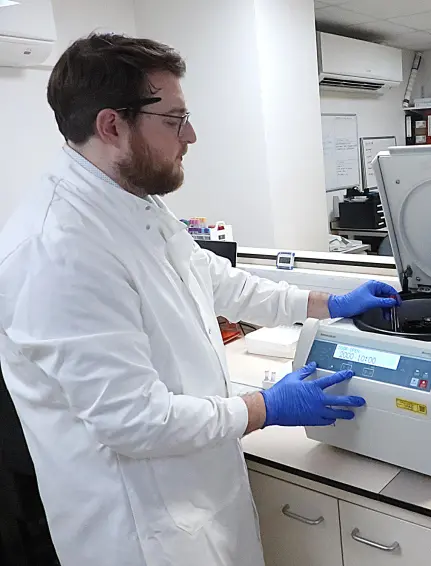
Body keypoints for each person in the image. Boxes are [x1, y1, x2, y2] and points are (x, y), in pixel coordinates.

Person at [0, 33, 399, 566]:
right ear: (111, 125)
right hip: (142, 530)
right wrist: (265, 407)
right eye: (174, 119)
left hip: (196, 490)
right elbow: (135, 421)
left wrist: (326, 303)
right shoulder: (58, 250)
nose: (191, 135)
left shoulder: (128, 199)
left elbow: (213, 278)